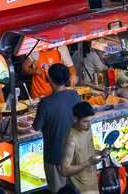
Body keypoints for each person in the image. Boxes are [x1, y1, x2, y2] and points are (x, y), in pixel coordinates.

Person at [33, 64, 82, 194]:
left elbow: (36, 127)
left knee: (58, 191)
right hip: (75, 154)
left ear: (49, 78)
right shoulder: (74, 95)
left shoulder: (45, 103)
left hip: (55, 156)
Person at [61, 102, 104, 194]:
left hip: (92, 184)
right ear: (75, 119)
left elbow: (83, 151)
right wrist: (88, 163)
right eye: (85, 121)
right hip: (80, 189)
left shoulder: (86, 129)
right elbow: (65, 170)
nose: (89, 125)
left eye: (91, 120)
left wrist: (100, 152)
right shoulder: (71, 140)